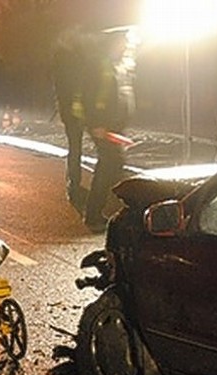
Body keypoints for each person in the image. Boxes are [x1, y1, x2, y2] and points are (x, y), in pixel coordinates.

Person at [81, 28, 136, 232]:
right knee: (109, 168)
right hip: (104, 128)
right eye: (123, 41)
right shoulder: (102, 66)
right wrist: (96, 124)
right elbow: (91, 96)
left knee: (112, 167)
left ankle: (99, 212)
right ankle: (95, 214)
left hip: (114, 126)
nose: (127, 45)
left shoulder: (119, 64)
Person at [51, 28, 88, 214]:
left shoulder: (69, 56)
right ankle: (74, 186)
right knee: (76, 148)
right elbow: (64, 85)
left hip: (76, 108)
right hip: (72, 110)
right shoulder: (65, 58)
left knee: (76, 147)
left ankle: (75, 184)